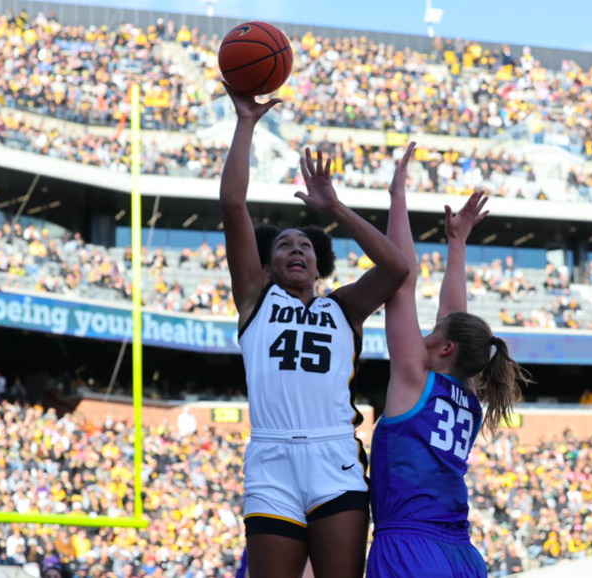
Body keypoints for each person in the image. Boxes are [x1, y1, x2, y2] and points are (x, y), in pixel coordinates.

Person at [220, 84, 409, 578]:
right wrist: (245, 123)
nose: (296, 249)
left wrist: (336, 209)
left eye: (305, 244)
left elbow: (397, 268)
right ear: (266, 266)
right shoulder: (255, 300)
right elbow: (233, 206)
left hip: (335, 456)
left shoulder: (343, 307)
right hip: (271, 456)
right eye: (284, 245)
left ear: (318, 263)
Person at [367, 145, 530, 578]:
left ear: (445, 349)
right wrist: (456, 243)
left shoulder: (413, 379)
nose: (424, 333)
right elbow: (455, 319)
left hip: (410, 546)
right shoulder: (469, 395)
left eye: (433, 331)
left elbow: (400, 281)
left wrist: (397, 197)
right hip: (462, 554)